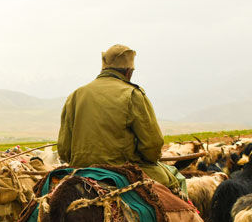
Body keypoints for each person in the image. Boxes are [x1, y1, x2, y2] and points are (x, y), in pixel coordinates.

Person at [57, 44, 184, 193]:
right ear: (129, 72)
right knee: (177, 179)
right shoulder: (133, 94)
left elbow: (64, 150)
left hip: (81, 171)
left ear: (103, 69)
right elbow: (152, 145)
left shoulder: (75, 95)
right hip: (122, 171)